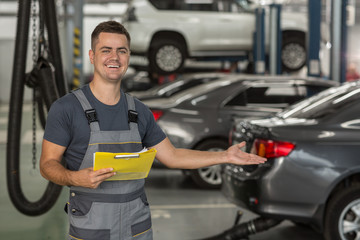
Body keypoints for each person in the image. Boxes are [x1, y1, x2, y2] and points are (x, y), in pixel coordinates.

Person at [39, 20, 266, 240]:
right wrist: (74, 177)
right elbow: (47, 164)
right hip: (91, 226)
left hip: (136, 226)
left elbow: (173, 156)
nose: (114, 57)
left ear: (128, 57)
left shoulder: (138, 111)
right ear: (92, 56)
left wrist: (225, 156)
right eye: (106, 50)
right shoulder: (66, 109)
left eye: (122, 51)